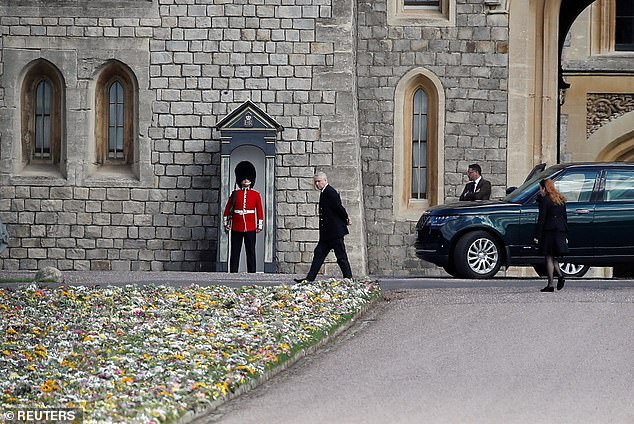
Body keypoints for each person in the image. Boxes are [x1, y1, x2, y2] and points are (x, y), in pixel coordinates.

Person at [294, 171, 353, 283]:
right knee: (319, 254)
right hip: (327, 233)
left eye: (319, 181)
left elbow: (338, 207)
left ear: (325, 181)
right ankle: (309, 279)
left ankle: (348, 277)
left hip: (335, 232)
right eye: (315, 182)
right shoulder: (324, 192)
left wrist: (346, 218)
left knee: (341, 256)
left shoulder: (330, 192)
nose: (317, 184)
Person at [223, 162, 263, 273]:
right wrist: (226, 223)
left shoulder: (256, 194)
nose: (246, 180)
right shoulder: (235, 194)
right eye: (244, 178)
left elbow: (259, 210)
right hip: (236, 226)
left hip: (250, 227)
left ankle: (252, 273)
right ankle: (233, 272)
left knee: (250, 251)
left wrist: (259, 225)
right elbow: (227, 209)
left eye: (248, 178)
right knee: (235, 251)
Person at [533, 179, 569, 292]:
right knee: (553, 256)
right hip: (560, 231)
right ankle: (560, 276)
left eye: (540, 188)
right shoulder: (560, 199)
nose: (540, 191)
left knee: (548, 256)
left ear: (544, 188)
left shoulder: (545, 200)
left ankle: (550, 284)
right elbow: (565, 218)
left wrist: (537, 236)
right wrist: (566, 235)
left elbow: (542, 219)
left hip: (549, 231)